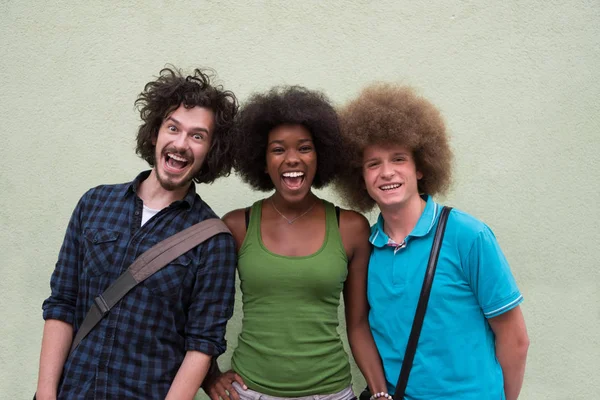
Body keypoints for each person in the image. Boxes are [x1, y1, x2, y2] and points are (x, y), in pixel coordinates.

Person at [36, 67, 238, 400]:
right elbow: (62, 305)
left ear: (210, 151)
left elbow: (202, 344)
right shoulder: (94, 203)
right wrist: (45, 394)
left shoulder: (214, 241)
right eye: (173, 128)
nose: (181, 143)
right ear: (156, 132)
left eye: (197, 136)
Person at [336, 84, 530, 400]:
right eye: (374, 164)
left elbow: (515, 339)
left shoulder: (468, 236)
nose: (386, 172)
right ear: (361, 177)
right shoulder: (367, 248)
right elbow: (360, 328)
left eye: (398, 159)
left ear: (421, 167)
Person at [204, 86, 388, 400]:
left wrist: (381, 392)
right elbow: (204, 313)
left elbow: (357, 325)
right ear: (262, 162)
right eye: (278, 149)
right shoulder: (237, 225)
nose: (292, 159)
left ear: (320, 157)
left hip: (330, 393)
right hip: (249, 393)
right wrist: (210, 376)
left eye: (304, 148)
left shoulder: (351, 228)